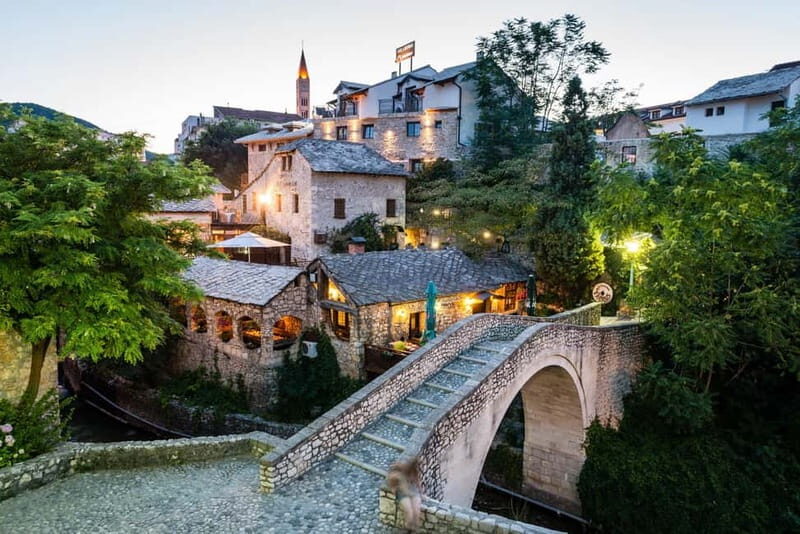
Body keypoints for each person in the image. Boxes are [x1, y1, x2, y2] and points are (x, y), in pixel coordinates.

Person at [386, 457, 422, 531]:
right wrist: (392, 486)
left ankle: (415, 528)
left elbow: (417, 482)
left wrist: (421, 492)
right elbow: (391, 475)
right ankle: (407, 528)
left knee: (417, 512)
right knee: (409, 512)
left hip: (412, 490)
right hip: (402, 492)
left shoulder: (415, 471)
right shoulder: (402, 468)